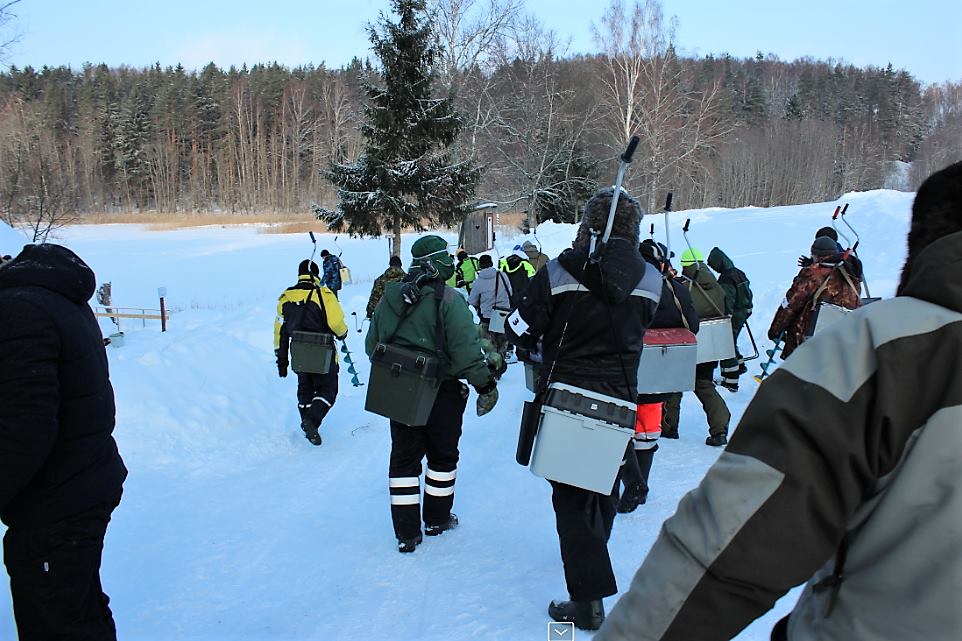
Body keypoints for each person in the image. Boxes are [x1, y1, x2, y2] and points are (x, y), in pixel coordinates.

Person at [593, 160, 962, 641]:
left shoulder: (884, 352)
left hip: (815, 353)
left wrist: (775, 330)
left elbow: (727, 546)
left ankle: (686, 431)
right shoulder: (852, 280)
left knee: (701, 390)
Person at [505, 187, 662, 631]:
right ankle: (591, 550)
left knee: (570, 499)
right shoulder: (652, 279)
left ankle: (588, 600)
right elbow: (657, 322)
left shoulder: (557, 272)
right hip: (620, 399)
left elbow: (517, 326)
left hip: (566, 398)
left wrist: (540, 345)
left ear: (587, 226)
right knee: (601, 484)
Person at [0, 243, 128, 640]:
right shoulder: (53, 294)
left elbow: (26, 424)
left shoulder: (18, 309)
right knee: (78, 609)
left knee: (56, 621)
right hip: (81, 482)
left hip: (57, 498)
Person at [365, 235, 499, 554]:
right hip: (443, 391)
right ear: (439, 263)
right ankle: (437, 519)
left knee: (404, 459)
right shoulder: (449, 300)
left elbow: (372, 346)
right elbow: (467, 353)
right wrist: (485, 385)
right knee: (442, 456)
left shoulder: (390, 297)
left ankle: (407, 533)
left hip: (400, 386)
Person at [617, 240, 700, 514]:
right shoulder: (673, 288)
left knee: (620, 430)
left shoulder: (623, 285)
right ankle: (642, 485)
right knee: (647, 432)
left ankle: (625, 483)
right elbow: (693, 325)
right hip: (661, 373)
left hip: (625, 371)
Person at [274, 259, 349, 446]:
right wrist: (342, 333)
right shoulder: (323, 295)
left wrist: (281, 360)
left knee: (305, 387)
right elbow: (336, 323)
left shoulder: (285, 298)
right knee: (329, 389)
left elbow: (280, 332)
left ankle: (307, 419)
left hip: (298, 353)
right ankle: (312, 421)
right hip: (323, 352)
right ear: (316, 275)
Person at [662, 248, 731, 446]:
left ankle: (668, 427)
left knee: (674, 386)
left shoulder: (683, 287)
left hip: (688, 343)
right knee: (704, 385)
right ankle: (720, 428)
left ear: (685, 266)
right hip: (712, 344)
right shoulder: (717, 287)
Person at [768, 236, 861, 359]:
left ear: (816, 255)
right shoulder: (850, 273)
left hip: (810, 339)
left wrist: (776, 329)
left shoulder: (813, 274)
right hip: (840, 338)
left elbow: (791, 303)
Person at [706, 247, 753, 392]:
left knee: (726, 345)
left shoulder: (726, 278)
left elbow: (728, 298)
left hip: (735, 313)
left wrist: (726, 315)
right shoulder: (738, 272)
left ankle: (731, 380)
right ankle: (739, 366)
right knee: (732, 340)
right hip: (745, 309)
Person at [467, 254, 512, 368]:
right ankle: (501, 360)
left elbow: (472, 301)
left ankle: (493, 364)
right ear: (491, 263)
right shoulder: (502, 276)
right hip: (503, 314)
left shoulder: (478, 282)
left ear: (480, 265)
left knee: (489, 344)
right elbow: (510, 293)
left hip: (487, 316)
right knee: (502, 340)